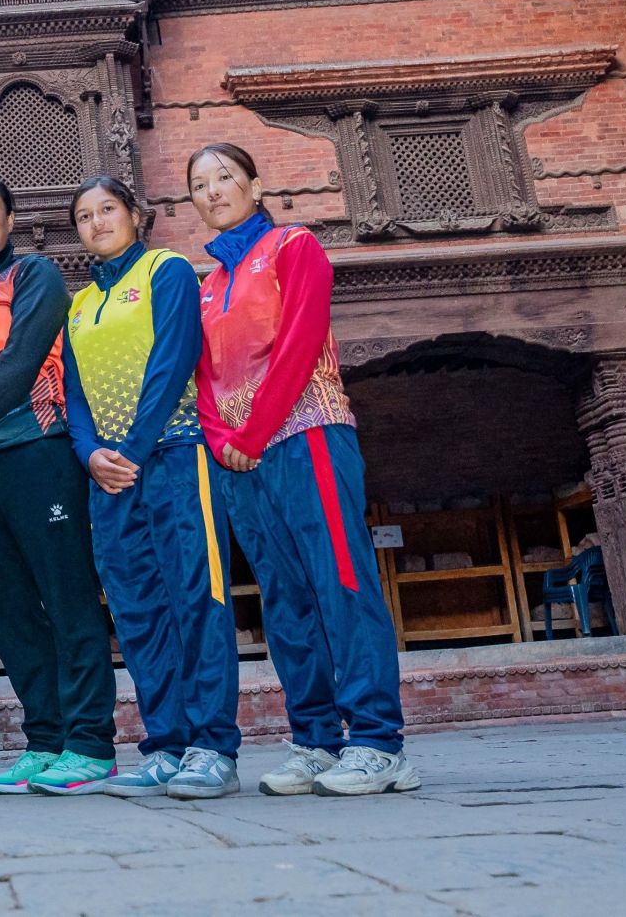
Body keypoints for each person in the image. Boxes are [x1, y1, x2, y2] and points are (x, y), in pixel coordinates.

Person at [187, 143, 418, 797]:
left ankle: (378, 741)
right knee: (284, 597)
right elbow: (202, 377)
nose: (213, 191)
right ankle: (316, 739)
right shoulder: (206, 286)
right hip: (238, 458)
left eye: (225, 176)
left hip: (307, 432)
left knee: (340, 579)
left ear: (256, 183)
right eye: (200, 185)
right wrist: (223, 438)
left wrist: (254, 431)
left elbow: (300, 338)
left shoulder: (295, 247)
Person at [0, 171, 119, 796]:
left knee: (66, 596)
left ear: (10, 221)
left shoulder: (33, 275)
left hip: (36, 450)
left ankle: (90, 742)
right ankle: (45, 738)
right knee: (6, 607)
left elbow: (25, 353)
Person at [60, 176, 242, 801]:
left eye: (107, 210)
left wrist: (130, 451)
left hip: (173, 456)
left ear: (135, 215)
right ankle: (166, 744)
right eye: (84, 216)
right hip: (108, 477)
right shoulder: (79, 304)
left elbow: (175, 359)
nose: (96, 222)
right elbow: (74, 395)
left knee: (197, 596)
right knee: (137, 610)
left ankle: (213, 747)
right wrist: (89, 456)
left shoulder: (167, 271)